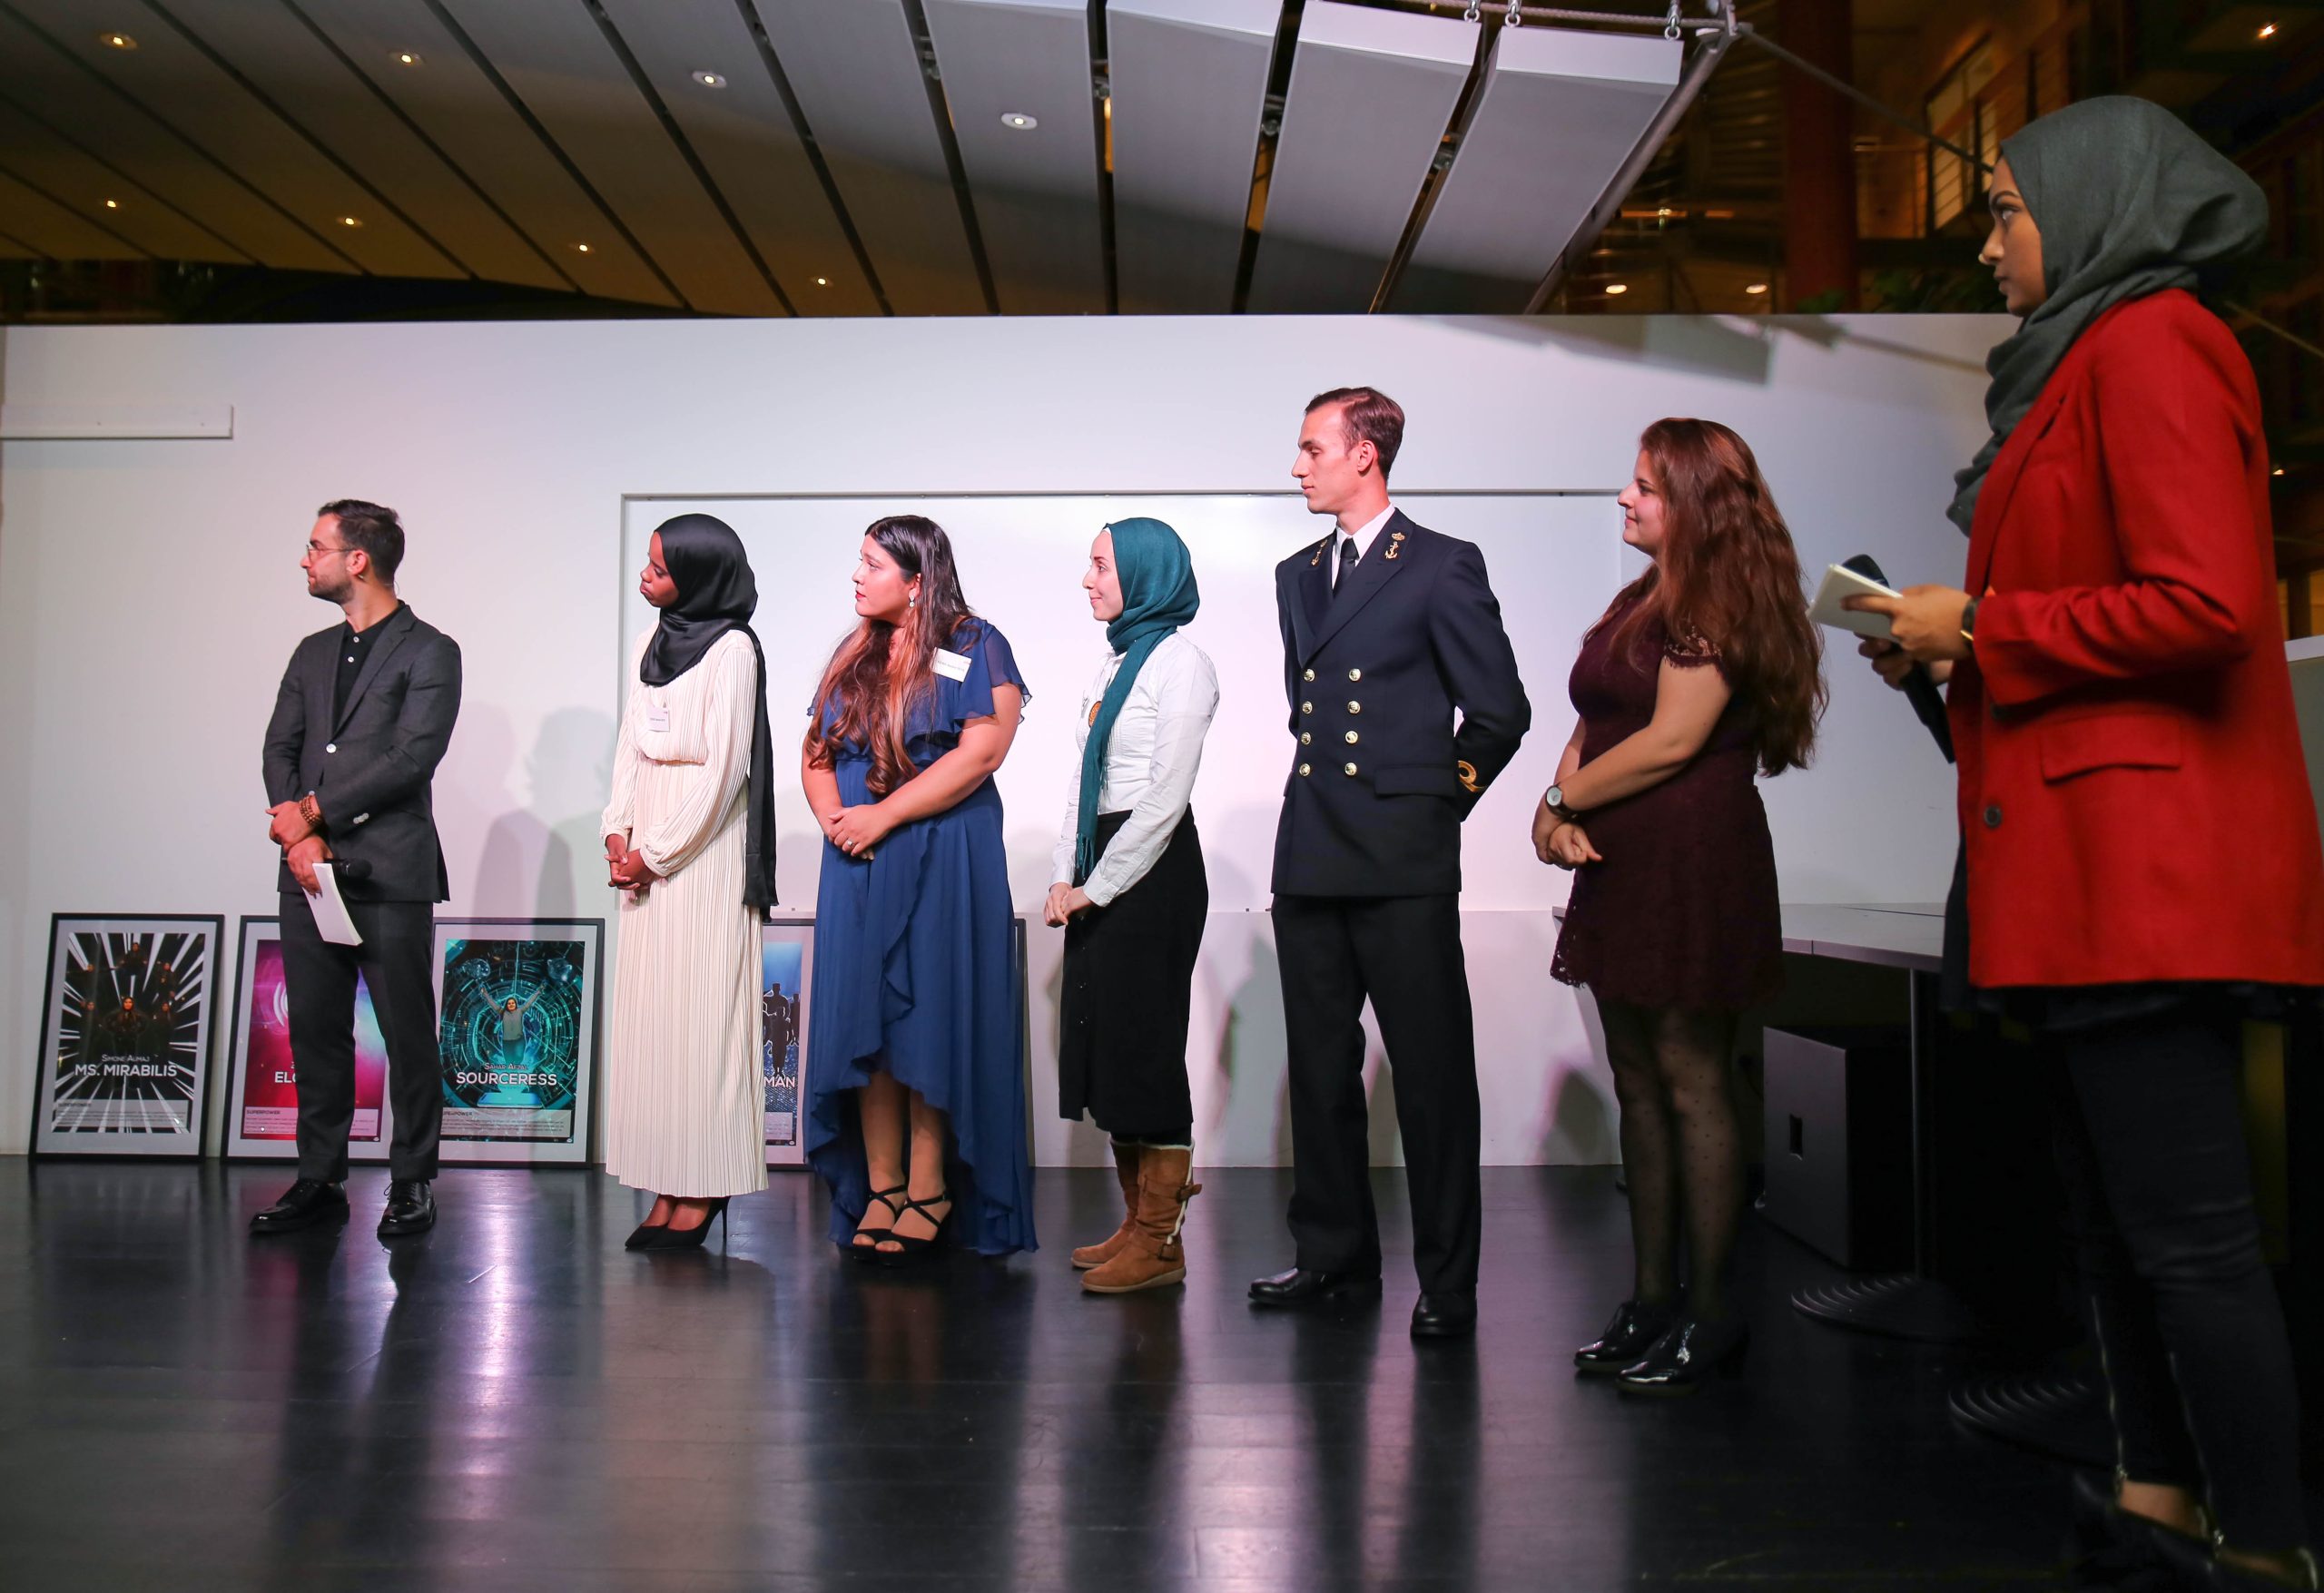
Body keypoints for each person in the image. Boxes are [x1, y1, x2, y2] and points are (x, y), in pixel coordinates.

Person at [1850, 98, 2321, 1590]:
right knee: (2117, 1232)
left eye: (2005, 209)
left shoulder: (2157, 343)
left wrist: (1982, 623)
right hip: (2078, 880)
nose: (1990, 246)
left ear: (2098, 204)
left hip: (2145, 883)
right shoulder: (2084, 361)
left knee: (2188, 1241)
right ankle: (2157, 1504)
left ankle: (2270, 1545)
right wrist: (1944, 651)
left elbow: (2207, 604)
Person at [1539, 419, 1825, 1394]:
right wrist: (1554, 806)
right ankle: (1651, 1300)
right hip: (1626, 856)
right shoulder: (1644, 595)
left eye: (1646, 487)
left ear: (1695, 505)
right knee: (1638, 1078)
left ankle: (1712, 1313)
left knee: (1691, 1076)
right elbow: (1596, 718)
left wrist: (1561, 801)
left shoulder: (1713, 601)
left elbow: (1670, 740)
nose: (1625, 498)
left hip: (1691, 855)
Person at [1251, 387, 1531, 1338]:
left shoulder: (1442, 564)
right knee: (1319, 1070)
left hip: (1403, 858)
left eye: (1311, 449)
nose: (1298, 466)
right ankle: (1333, 1255)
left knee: (1432, 1075)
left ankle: (1448, 1283)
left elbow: (1499, 712)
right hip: (1311, 852)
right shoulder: (1296, 574)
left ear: (1364, 454)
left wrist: (1434, 798)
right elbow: (1308, 709)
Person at [803, 516, 1035, 1262]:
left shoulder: (974, 643)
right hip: (858, 859)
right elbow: (816, 752)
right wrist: (838, 821)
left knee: (927, 1022)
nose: (856, 575)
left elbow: (982, 752)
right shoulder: (855, 652)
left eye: (872, 564)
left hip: (940, 854)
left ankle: (931, 1189)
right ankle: (884, 1186)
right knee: (864, 1027)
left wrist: (885, 815)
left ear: (916, 580)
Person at [256, 499, 462, 1239]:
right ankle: (320, 1176)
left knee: (407, 1032)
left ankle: (412, 1180)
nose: (304, 559)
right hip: (306, 871)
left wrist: (311, 814)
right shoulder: (311, 652)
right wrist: (299, 837)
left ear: (358, 559)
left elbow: (412, 758)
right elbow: (279, 748)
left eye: (316, 546)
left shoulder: (431, 650)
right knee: (314, 1028)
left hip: (389, 871)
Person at [1046, 517, 1220, 1294]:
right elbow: (1083, 785)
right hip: (1104, 860)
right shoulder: (1114, 664)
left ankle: (1161, 1242)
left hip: (1153, 870)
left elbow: (1163, 796)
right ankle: (1138, 1224)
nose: (1089, 580)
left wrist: (1098, 885)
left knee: (1146, 1048)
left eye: (1102, 566)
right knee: (1109, 1047)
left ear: (1146, 573)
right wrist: (1064, 874)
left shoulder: (1183, 664)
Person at [601, 516, 779, 1252]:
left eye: (660, 569)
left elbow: (727, 769)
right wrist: (617, 830)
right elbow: (629, 745)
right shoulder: (653, 641)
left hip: (702, 853)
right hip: (646, 845)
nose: (646, 578)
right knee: (655, 1024)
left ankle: (704, 1182)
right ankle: (665, 1181)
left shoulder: (734, 649)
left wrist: (657, 852)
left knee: (704, 1019)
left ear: (700, 575)